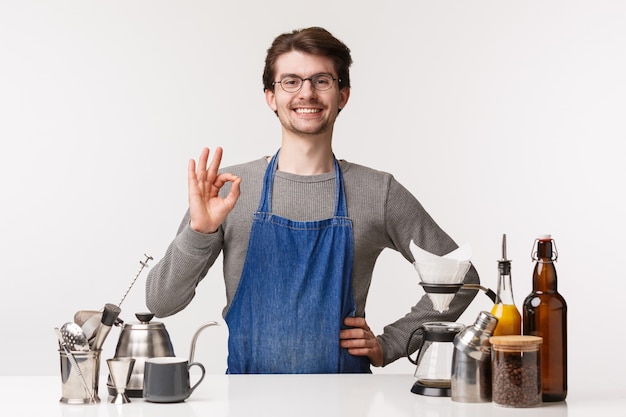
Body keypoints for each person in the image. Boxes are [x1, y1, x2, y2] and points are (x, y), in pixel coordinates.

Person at [145, 26, 479, 374]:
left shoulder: (377, 192)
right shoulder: (228, 190)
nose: (306, 93)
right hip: (247, 403)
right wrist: (200, 231)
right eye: (291, 81)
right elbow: (161, 302)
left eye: (321, 81)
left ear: (343, 95)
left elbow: (463, 278)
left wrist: (393, 343)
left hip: (346, 403)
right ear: (271, 97)